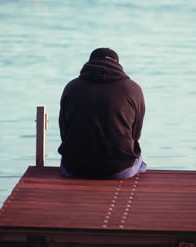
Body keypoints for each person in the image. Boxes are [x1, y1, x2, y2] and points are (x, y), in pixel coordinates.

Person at [58, 48, 146, 180]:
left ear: (89, 63)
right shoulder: (133, 89)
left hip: (74, 169)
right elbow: (136, 136)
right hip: (119, 170)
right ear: (117, 64)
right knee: (140, 160)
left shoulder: (72, 87)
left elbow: (64, 132)